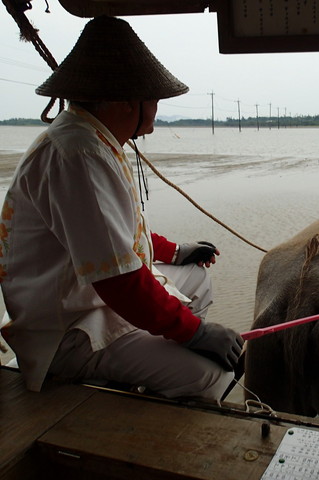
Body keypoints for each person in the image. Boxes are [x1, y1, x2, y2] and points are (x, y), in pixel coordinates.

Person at [0, 16, 243, 402]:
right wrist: (196, 333)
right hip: (71, 326)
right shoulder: (78, 153)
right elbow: (118, 279)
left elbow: (118, 232)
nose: (157, 107)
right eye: (154, 97)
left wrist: (175, 252)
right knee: (211, 374)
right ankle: (139, 415)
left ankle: (155, 362)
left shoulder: (91, 138)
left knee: (196, 278)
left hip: (89, 297)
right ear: (128, 99)